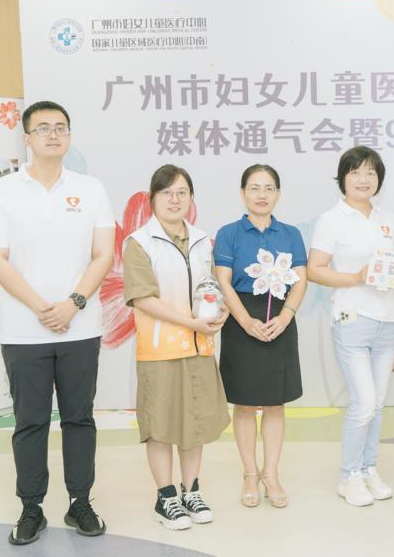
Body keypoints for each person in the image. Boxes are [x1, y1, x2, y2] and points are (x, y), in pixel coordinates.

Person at [0, 101, 114, 545]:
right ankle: (31, 507)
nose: (52, 134)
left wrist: (72, 304)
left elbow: (103, 254)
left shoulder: (91, 189)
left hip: (81, 326)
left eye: (60, 127)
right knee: (30, 422)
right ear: (27, 138)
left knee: (79, 418)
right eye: (42, 128)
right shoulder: (3, 191)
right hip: (24, 330)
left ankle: (80, 502)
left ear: (69, 136)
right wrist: (42, 307)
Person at [122, 164, 231, 529]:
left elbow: (208, 287)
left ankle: (192, 491)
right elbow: (143, 299)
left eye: (182, 192)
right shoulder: (139, 242)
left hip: (199, 347)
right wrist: (190, 323)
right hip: (160, 350)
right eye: (166, 192)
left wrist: (219, 310)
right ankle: (166, 497)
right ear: (152, 198)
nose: (174, 199)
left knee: (194, 422)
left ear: (191, 198)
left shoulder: (201, 239)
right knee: (160, 424)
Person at [307, 146, 394, 507]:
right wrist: (355, 278)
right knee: (363, 403)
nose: (364, 179)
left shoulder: (388, 218)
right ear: (343, 178)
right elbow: (315, 269)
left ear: (379, 179)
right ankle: (349, 477)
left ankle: (368, 468)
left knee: (376, 405)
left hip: (388, 320)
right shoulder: (332, 219)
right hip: (351, 318)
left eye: (371, 173)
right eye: (355, 172)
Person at [214, 164, 308, 509]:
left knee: (274, 403)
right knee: (244, 403)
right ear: (243, 193)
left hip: (280, 317)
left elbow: (301, 279)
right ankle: (250, 474)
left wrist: (286, 316)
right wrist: (245, 321)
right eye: (254, 188)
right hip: (242, 318)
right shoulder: (229, 233)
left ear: (278, 194)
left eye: (269, 188)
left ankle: (271, 473)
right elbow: (223, 281)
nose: (262, 195)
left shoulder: (291, 234)